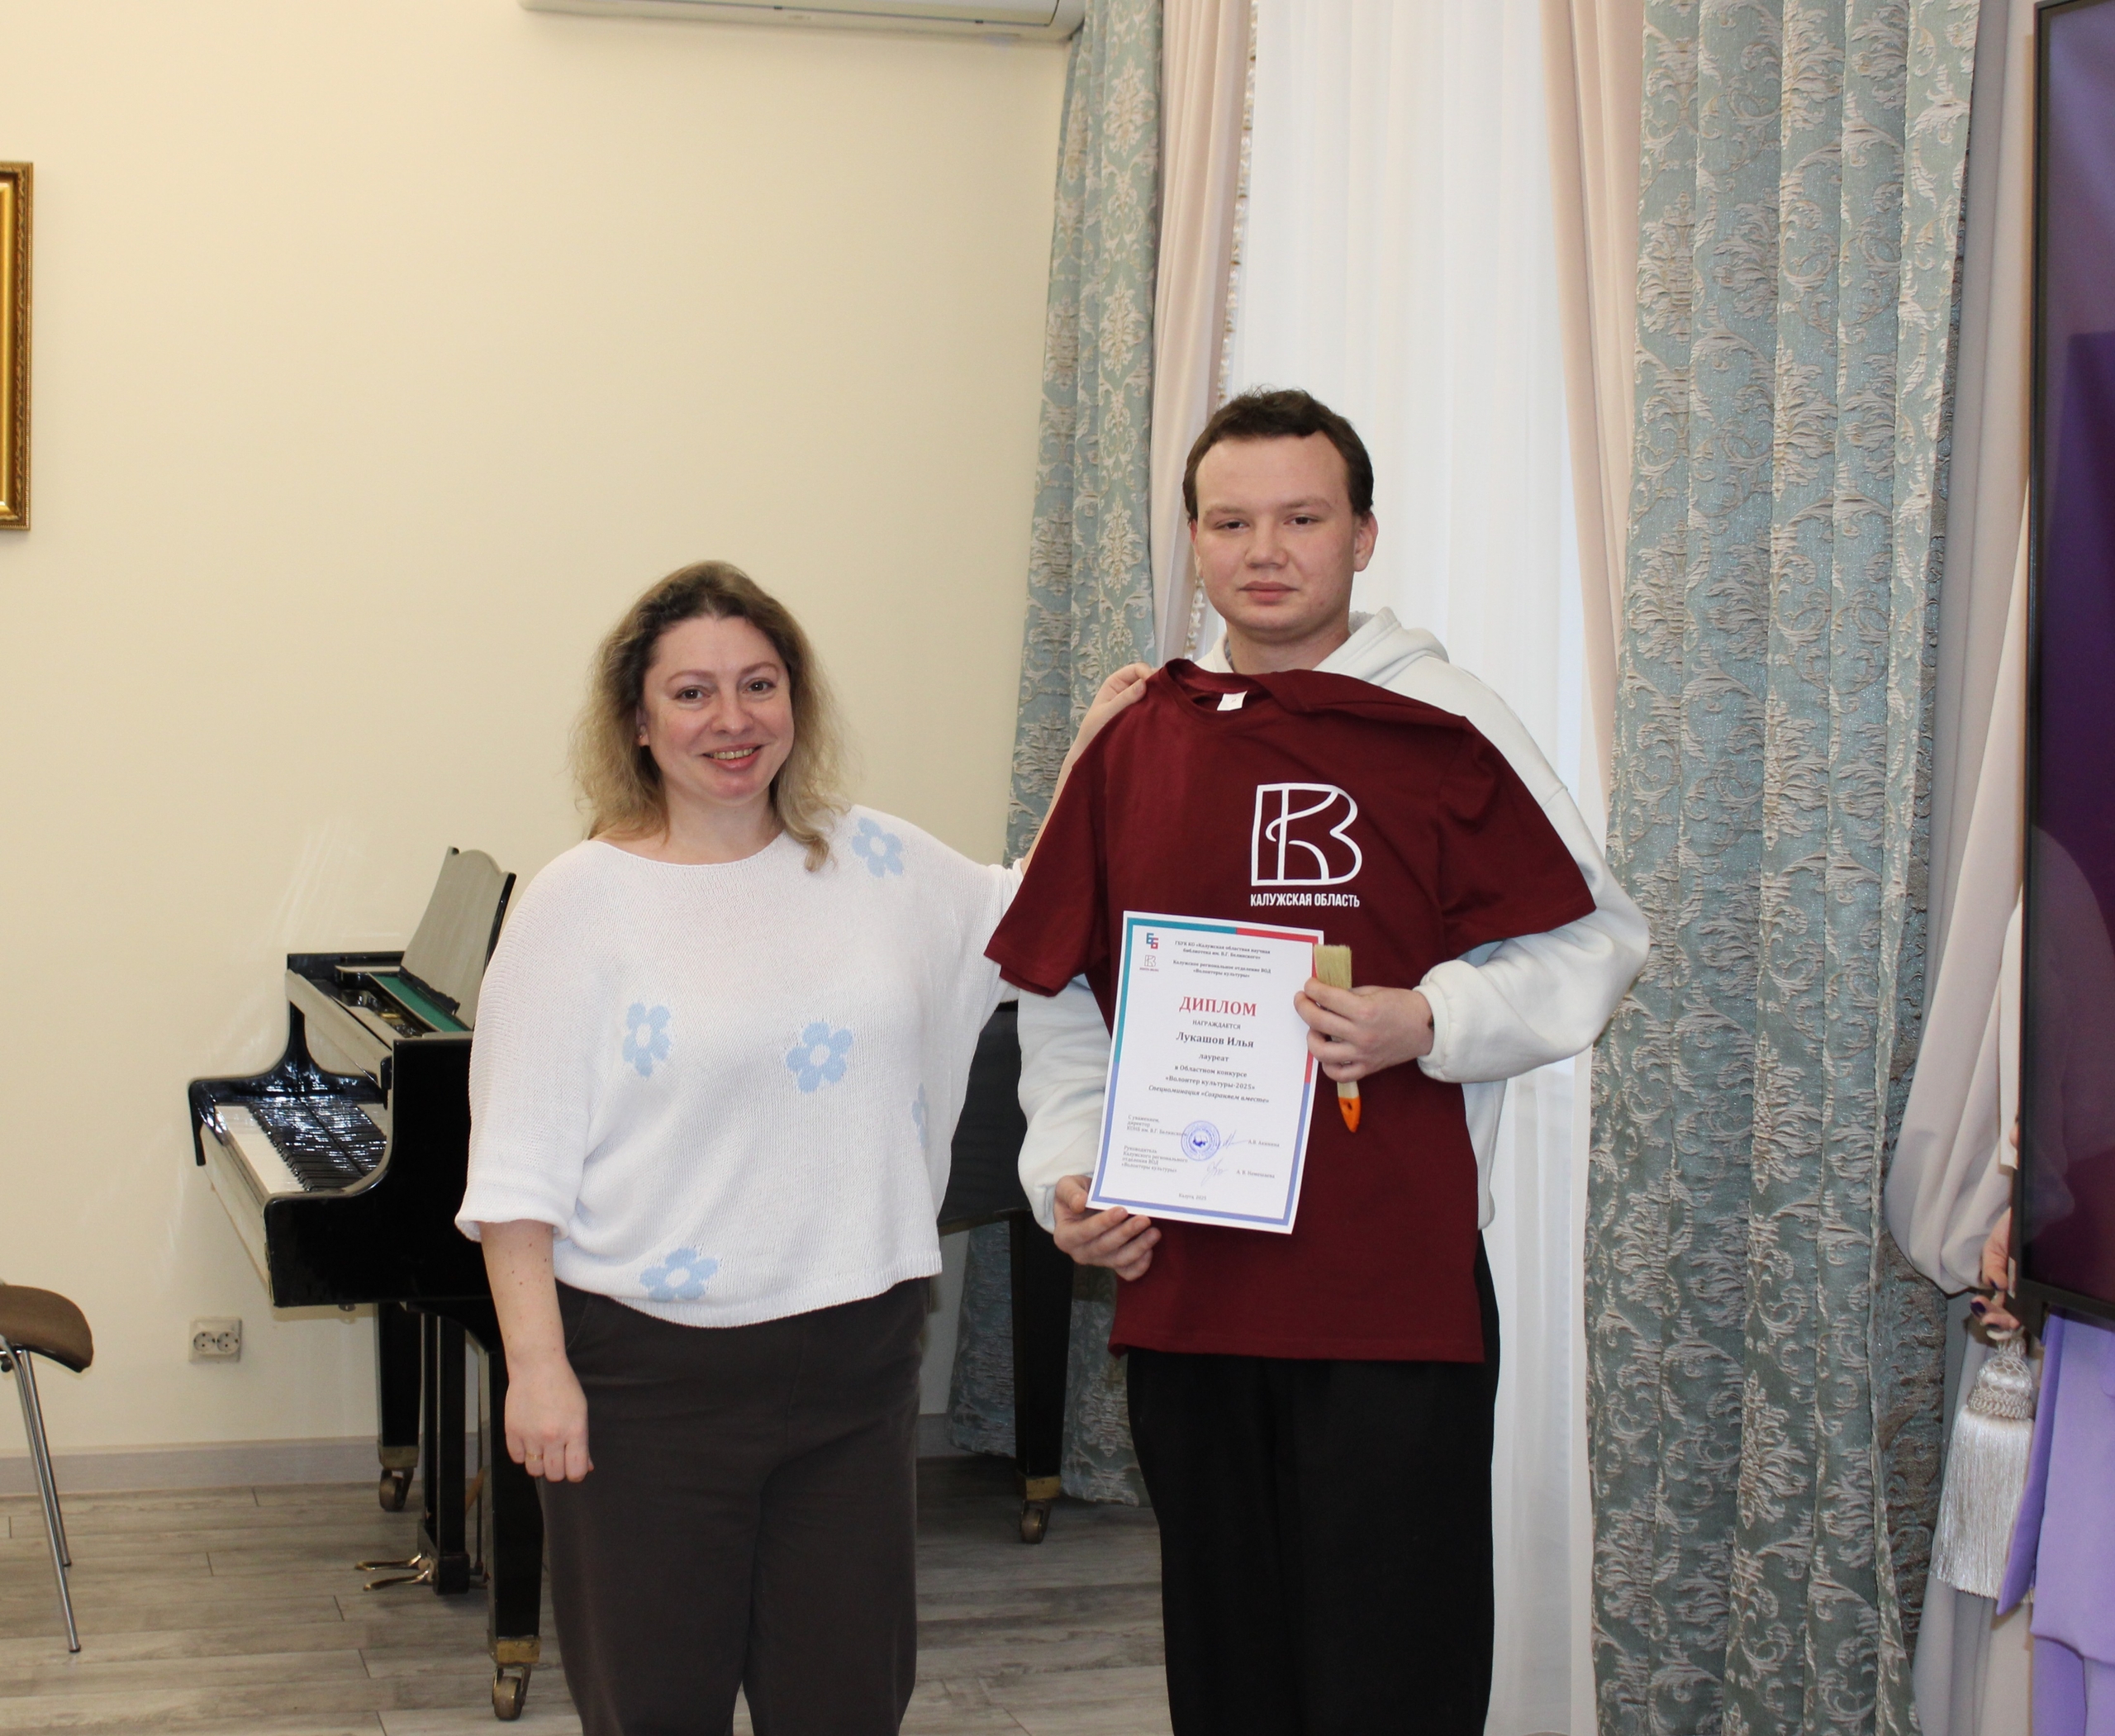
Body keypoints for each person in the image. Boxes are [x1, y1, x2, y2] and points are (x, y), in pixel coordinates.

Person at [986, 389, 1650, 1734]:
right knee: (1228, 1661)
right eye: (1231, 522)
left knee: (1393, 1663)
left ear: (1363, 536)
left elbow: (1596, 939)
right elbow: (1067, 996)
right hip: (1192, 1279)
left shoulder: (1447, 723)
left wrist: (1432, 1018)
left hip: (1391, 1294)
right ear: (1194, 540)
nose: (1265, 550)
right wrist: (1071, 1169)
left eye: (1301, 518)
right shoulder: (1139, 737)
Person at [455, 560, 1139, 1736]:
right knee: (654, 1709)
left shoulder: (878, 862)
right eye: (692, 693)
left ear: (795, 700)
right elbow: (516, 1172)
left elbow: (1033, 913)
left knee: (846, 1704)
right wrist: (537, 1368)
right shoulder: (576, 903)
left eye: (759, 684)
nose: (732, 719)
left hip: (855, 1367)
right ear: (638, 721)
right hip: (646, 1382)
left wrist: (1092, 753)